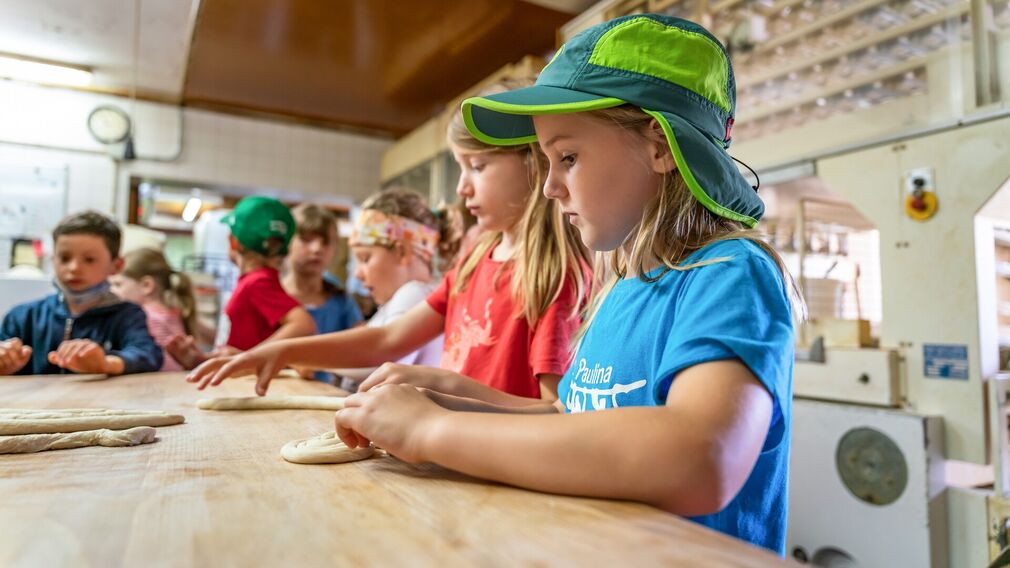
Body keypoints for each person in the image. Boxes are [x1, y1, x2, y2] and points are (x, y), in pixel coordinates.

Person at [338, 15, 799, 553]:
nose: (550, 187)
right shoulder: (623, 286)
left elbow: (703, 457)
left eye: (569, 157)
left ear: (660, 146)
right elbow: (571, 417)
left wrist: (431, 432)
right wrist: (449, 400)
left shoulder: (728, 274)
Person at [186, 78, 593, 401]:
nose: (462, 188)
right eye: (460, 168)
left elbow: (552, 413)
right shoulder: (473, 264)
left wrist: (440, 390)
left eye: (477, 166)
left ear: (535, 162)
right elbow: (387, 339)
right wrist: (285, 350)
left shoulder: (553, 278)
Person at [0, 211, 162, 375]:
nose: (74, 268)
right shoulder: (22, 317)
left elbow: (147, 355)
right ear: (53, 260)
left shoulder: (128, 315)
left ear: (116, 265)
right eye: (64, 258)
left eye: (89, 260)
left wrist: (105, 363)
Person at [167, 196, 316, 369]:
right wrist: (200, 360)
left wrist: (251, 358)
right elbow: (238, 346)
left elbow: (303, 324)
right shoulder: (256, 281)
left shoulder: (257, 283)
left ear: (233, 242)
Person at [330, 189, 451, 391]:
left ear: (402, 251)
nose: (358, 274)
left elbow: (376, 358)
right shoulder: (397, 301)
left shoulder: (415, 293)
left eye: (365, 258)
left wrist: (304, 357)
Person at [281, 203, 362, 381]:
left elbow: (363, 343)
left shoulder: (340, 298)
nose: (317, 249)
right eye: (307, 240)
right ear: (286, 243)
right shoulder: (271, 294)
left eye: (326, 242)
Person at [110, 247, 198, 372]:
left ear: (146, 285)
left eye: (118, 284)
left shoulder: (144, 317)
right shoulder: (174, 312)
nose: (112, 291)